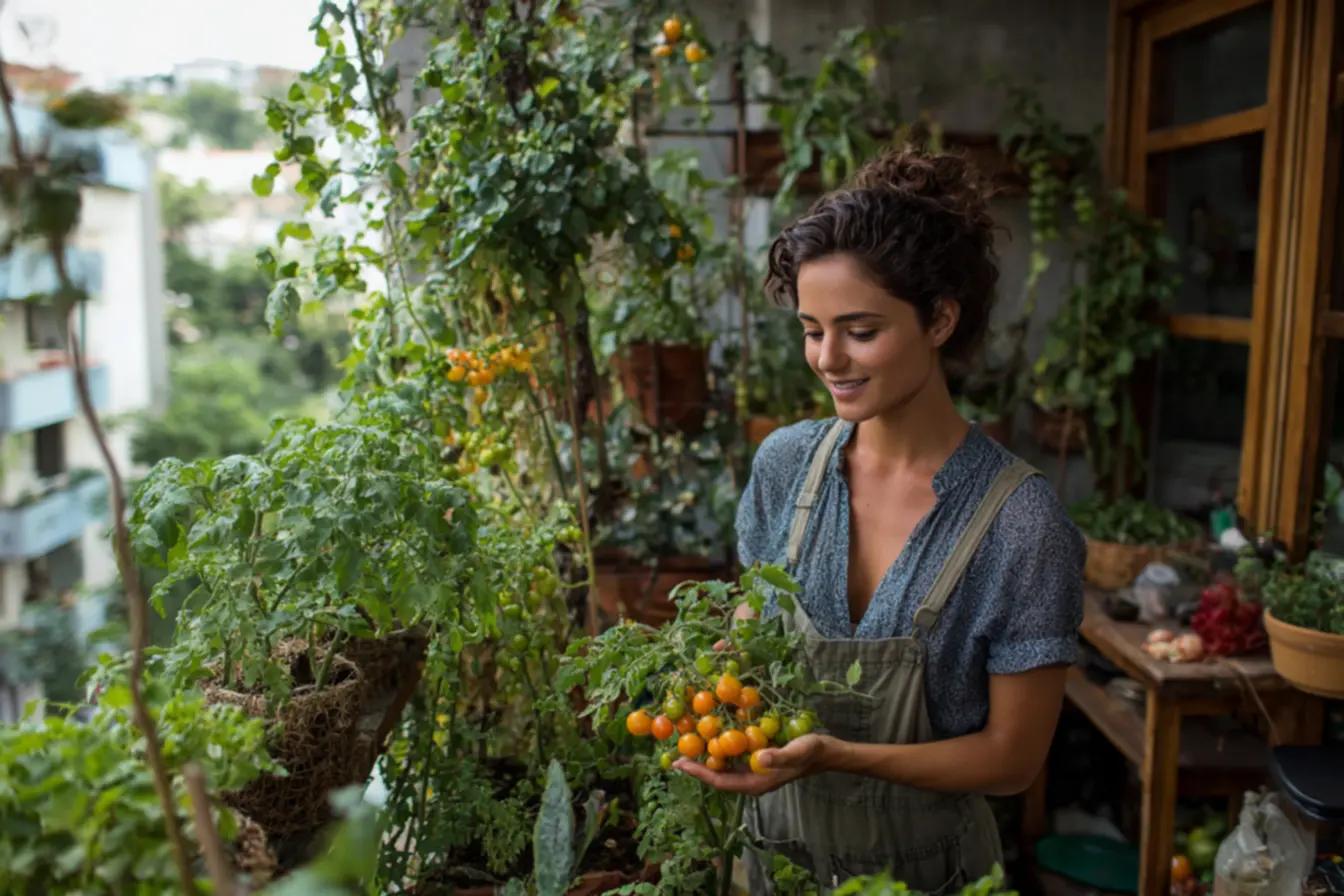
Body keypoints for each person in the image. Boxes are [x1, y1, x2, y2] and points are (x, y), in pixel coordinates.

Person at [674, 145, 1086, 893]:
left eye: (860, 330)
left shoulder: (1021, 525)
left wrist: (839, 755)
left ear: (940, 320)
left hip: (930, 874)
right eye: (810, 328)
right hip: (777, 863)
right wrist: (711, 686)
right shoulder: (786, 466)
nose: (828, 358)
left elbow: (1011, 761)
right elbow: (754, 615)